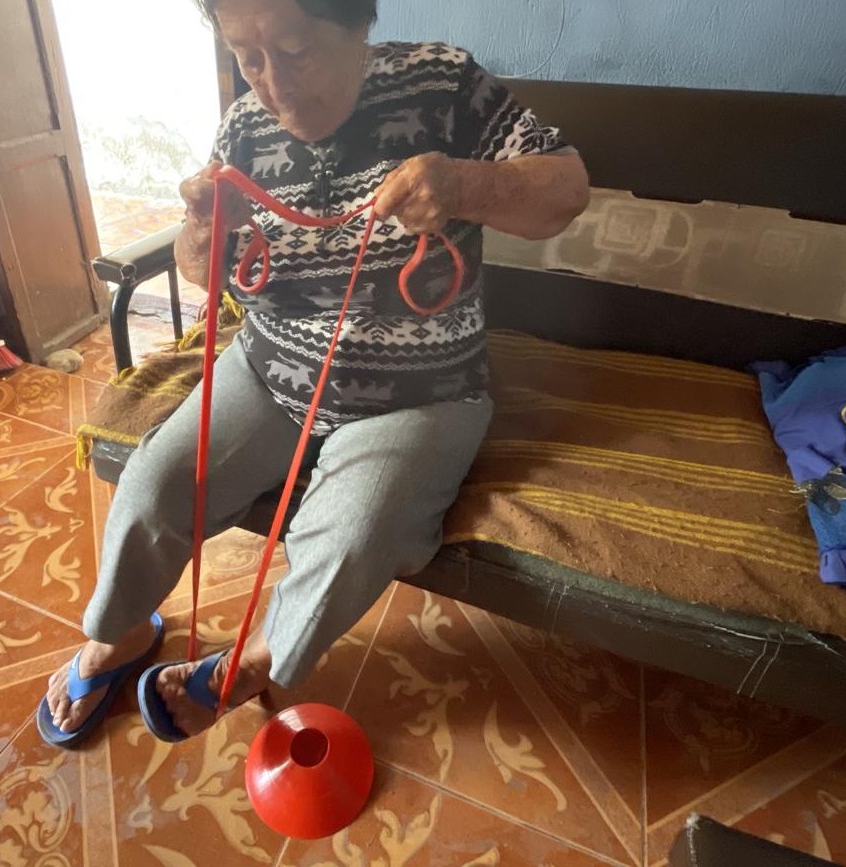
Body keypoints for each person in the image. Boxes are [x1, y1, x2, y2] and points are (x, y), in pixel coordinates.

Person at [37, 0, 588, 747]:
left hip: (418, 394)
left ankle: (254, 663)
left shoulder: (441, 83)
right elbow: (205, 272)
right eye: (248, 58)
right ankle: (121, 631)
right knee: (152, 485)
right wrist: (200, 231)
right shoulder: (243, 127)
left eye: (294, 51)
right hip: (270, 369)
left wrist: (463, 186)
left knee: (351, 534)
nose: (274, 85)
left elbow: (565, 190)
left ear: (357, 23)